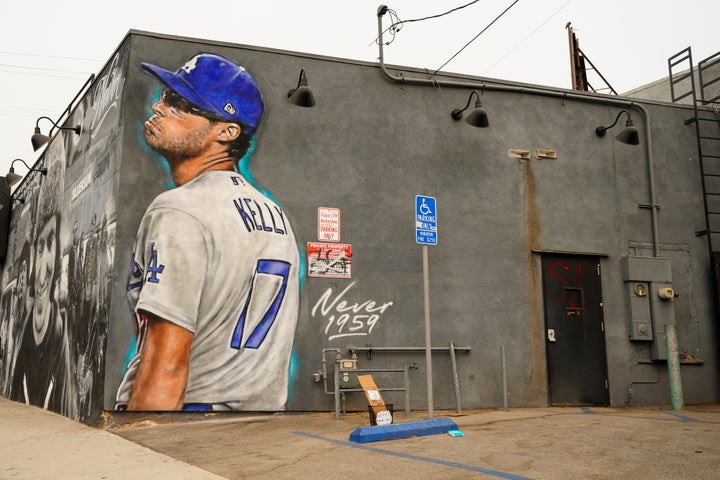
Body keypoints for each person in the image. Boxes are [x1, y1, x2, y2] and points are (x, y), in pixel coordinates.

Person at [115, 53, 300, 411]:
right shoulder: (275, 215)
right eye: (165, 96)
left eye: (180, 105)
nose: (158, 106)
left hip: (183, 422)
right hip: (254, 430)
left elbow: (165, 367)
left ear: (227, 132)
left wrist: (145, 452)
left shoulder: (178, 210)